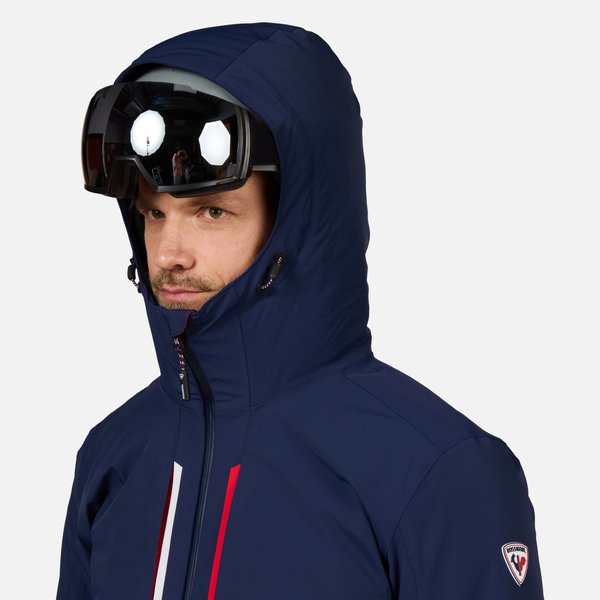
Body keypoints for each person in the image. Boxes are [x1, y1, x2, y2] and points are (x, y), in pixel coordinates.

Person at [57, 23, 545, 600]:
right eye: (153, 213)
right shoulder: (112, 457)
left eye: (212, 212)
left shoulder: (439, 472)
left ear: (298, 222)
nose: (168, 254)